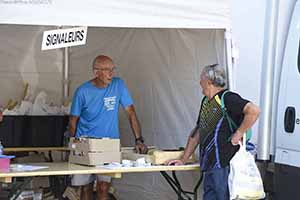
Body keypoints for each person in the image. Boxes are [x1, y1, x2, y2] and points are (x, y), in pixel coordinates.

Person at [168, 64, 260, 200]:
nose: (200, 82)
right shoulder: (206, 102)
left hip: (223, 164)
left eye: (201, 79)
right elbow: (197, 132)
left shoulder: (227, 98)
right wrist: (183, 159)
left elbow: (254, 110)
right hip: (209, 165)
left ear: (209, 82)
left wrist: (239, 133)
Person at [69, 55, 148, 200]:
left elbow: (131, 112)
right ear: (96, 72)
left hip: (109, 144)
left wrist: (139, 139)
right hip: (86, 143)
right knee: (85, 187)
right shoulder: (82, 91)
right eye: (106, 70)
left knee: (104, 186)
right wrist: (73, 144)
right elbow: (73, 120)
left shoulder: (118, 85)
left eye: (113, 69)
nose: (111, 73)